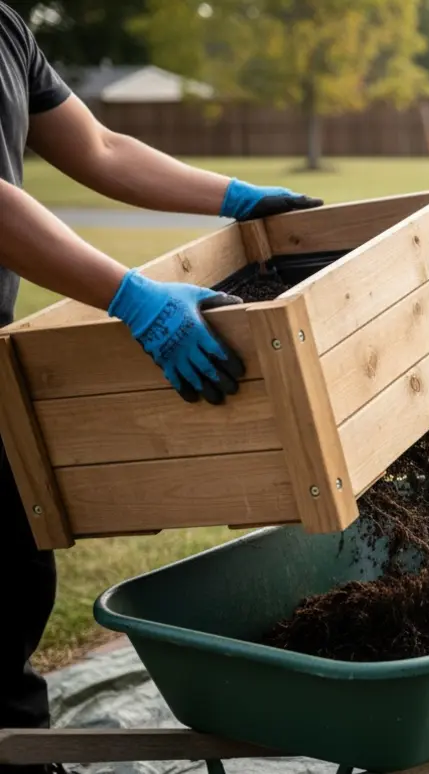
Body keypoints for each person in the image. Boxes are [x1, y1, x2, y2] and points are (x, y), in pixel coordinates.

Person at [0, 4, 321, 770]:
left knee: (14, 566)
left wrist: (238, 197)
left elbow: (101, 147)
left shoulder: (8, 28)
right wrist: (131, 298)